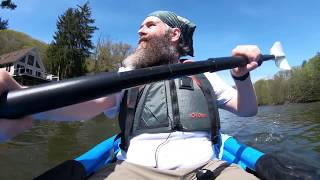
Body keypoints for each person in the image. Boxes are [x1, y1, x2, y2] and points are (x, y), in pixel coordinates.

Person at [0, 11, 260, 179]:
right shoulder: (127, 74)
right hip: (133, 171)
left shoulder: (203, 75)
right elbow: (90, 104)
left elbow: (246, 110)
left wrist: (242, 76)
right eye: (140, 26)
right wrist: (21, 97)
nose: (140, 31)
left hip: (209, 168)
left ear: (174, 34)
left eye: (150, 24)